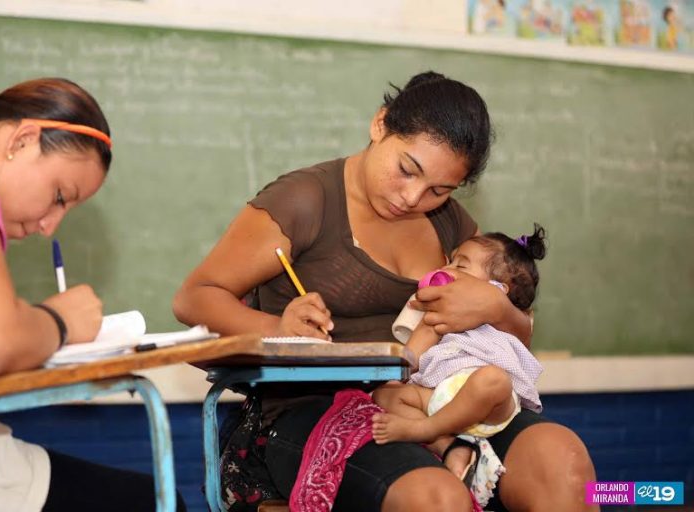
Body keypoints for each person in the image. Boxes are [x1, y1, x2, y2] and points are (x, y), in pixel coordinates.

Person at [174, 71, 596, 512]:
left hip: (437, 401)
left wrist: (497, 307)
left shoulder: (450, 224)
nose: (414, 197)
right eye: (407, 170)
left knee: (562, 462)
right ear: (380, 125)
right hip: (311, 409)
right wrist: (277, 326)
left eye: (439, 189)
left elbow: (515, 342)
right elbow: (194, 297)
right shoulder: (304, 200)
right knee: (435, 498)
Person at [0, 79, 185, 511]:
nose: (50, 226)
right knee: (159, 501)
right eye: (59, 196)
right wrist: (61, 322)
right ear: (23, 140)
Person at [371, 225, 547, 505]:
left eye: (460, 265)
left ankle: (425, 431)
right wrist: (396, 378)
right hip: (439, 397)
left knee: (493, 379)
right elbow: (411, 356)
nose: (448, 269)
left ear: (496, 291)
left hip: (487, 406)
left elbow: (520, 336)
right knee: (384, 394)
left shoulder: (499, 322)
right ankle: (451, 446)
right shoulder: (437, 316)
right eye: (450, 261)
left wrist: (495, 307)